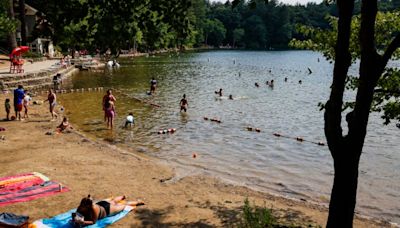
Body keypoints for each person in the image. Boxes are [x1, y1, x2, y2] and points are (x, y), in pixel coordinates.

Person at [74, 195, 144, 226]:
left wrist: (83, 222)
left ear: (88, 206)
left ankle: (138, 202)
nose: (82, 207)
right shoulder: (80, 206)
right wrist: (74, 219)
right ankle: (122, 196)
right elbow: (76, 214)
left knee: (124, 205)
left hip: (108, 210)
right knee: (113, 201)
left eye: (84, 207)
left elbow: (93, 222)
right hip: (102, 204)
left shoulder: (93, 209)